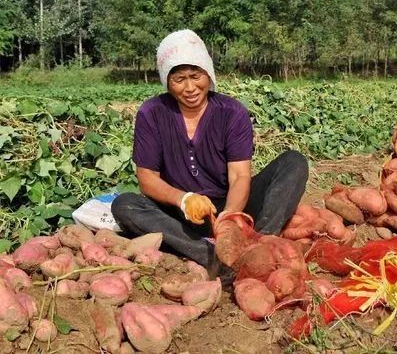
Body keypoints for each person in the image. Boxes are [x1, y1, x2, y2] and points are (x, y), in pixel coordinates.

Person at [111, 29, 308, 287]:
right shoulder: (152, 113)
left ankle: (259, 243)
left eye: (196, 76)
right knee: (124, 204)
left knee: (293, 162)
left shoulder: (232, 112)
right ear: (166, 80)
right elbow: (147, 179)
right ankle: (209, 256)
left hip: (231, 205)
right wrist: (183, 199)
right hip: (180, 216)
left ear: (209, 74)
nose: (190, 87)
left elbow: (239, 176)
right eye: (179, 79)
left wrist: (230, 219)